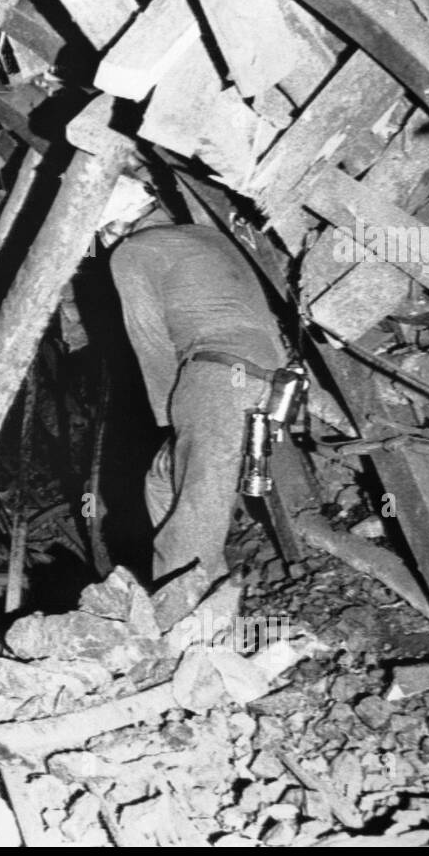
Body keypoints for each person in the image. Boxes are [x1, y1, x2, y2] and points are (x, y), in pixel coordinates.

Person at [109, 219, 286, 630]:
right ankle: (209, 598)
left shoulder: (134, 250)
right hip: (261, 373)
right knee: (162, 479)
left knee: (197, 503)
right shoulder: (210, 234)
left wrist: (166, 415)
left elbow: (148, 339)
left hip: (215, 373)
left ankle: (183, 626)